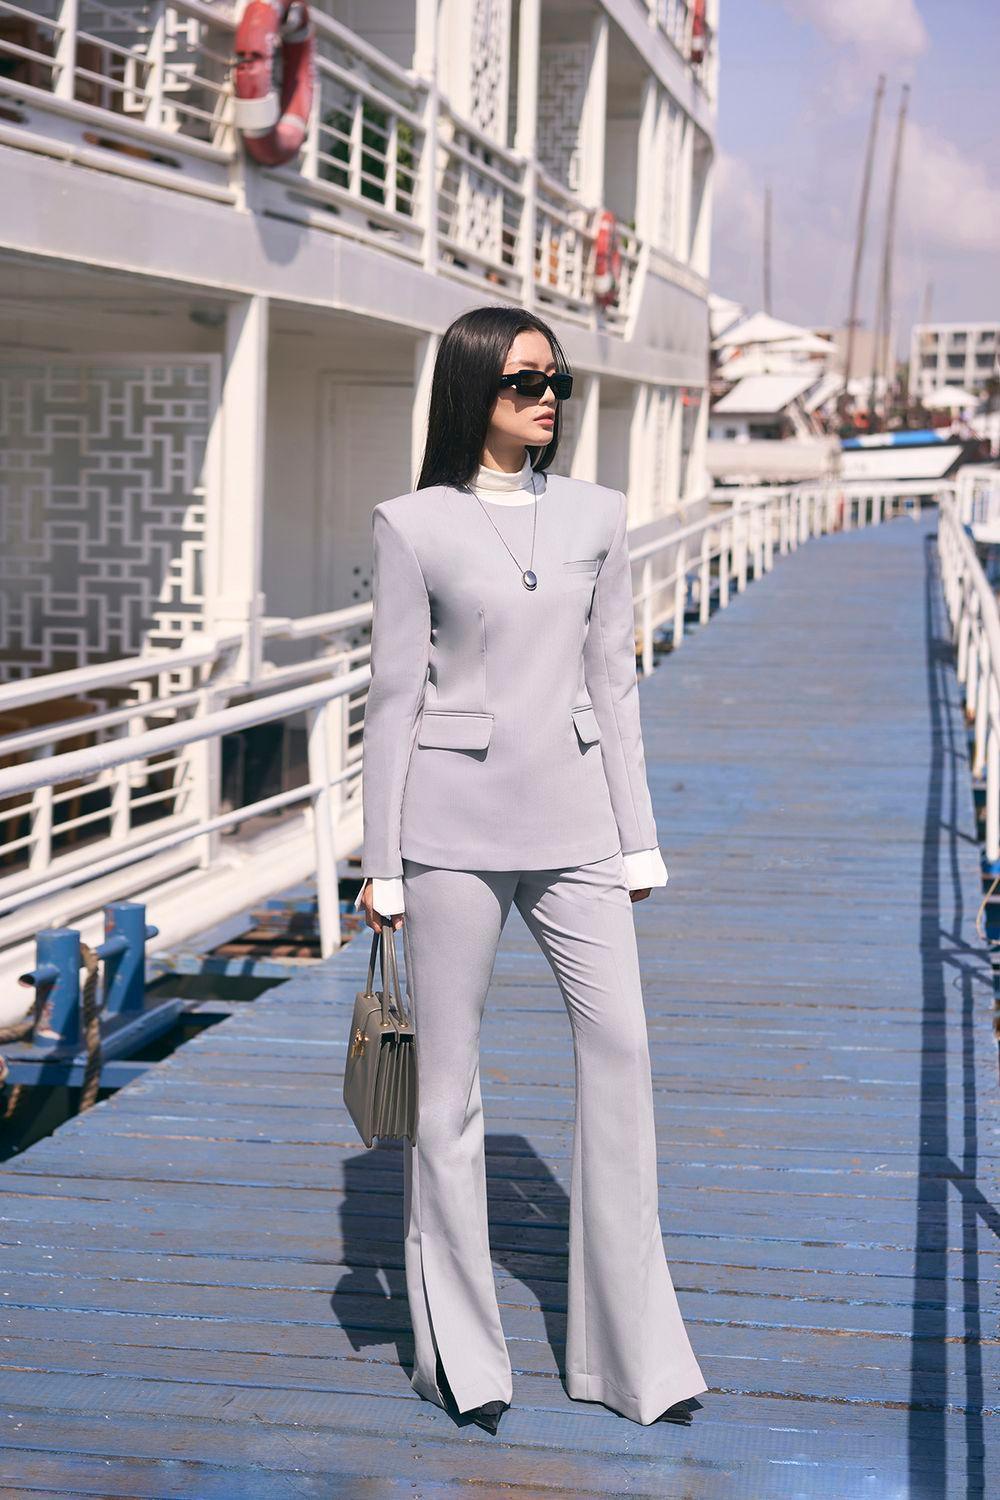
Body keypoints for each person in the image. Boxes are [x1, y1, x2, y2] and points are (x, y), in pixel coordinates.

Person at [354, 304, 707, 1433]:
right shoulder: (411, 523)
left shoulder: (599, 514)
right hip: (449, 829)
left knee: (624, 1050)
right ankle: (463, 1360)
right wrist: (380, 861)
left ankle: (634, 1358)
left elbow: (615, 681)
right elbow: (392, 701)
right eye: (522, 382)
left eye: (556, 380)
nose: (546, 398)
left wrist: (638, 834)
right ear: (473, 390)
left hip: (580, 826)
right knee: (445, 1091)